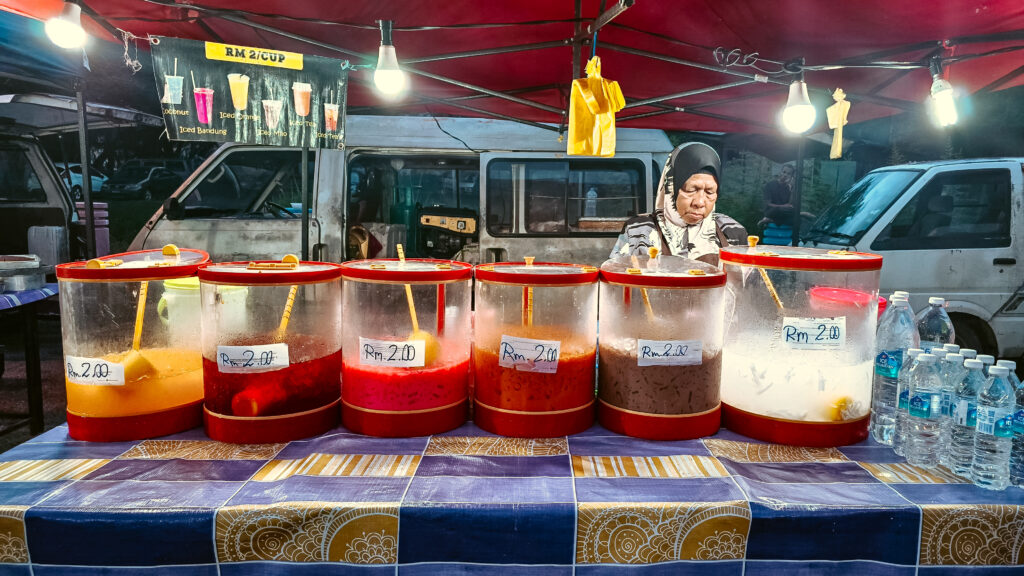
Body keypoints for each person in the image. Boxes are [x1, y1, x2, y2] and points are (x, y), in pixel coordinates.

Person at [610, 142, 746, 265]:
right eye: (691, 190)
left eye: (709, 192)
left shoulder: (731, 231)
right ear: (671, 189)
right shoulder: (639, 230)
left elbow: (747, 286)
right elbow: (616, 283)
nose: (699, 202)